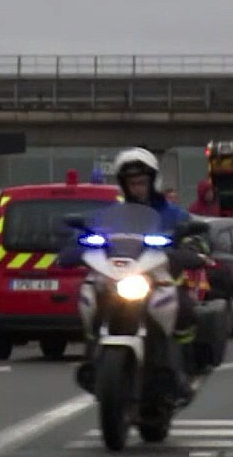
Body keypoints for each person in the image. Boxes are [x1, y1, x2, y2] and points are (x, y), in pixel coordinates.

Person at [61, 147, 204, 405]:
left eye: (141, 182)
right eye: (131, 183)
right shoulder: (111, 214)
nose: (137, 188)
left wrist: (191, 249)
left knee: (184, 310)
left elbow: (192, 236)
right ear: (123, 185)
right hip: (118, 279)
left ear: (152, 182)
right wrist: (74, 248)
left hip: (161, 282)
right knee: (90, 296)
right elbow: (86, 233)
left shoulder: (170, 213)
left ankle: (182, 369)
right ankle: (92, 360)